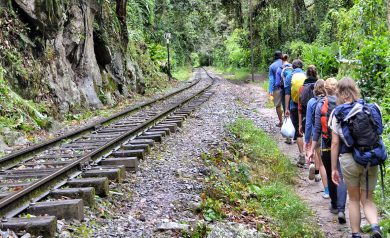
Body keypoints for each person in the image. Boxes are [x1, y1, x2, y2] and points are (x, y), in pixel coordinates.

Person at [330, 77, 383, 238]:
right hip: (370, 157)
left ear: (338, 93)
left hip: (349, 159)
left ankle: (356, 234)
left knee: (353, 200)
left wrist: (333, 169)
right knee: (367, 199)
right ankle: (375, 227)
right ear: (355, 90)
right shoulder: (371, 107)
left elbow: (334, 143)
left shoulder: (337, 113)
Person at [308, 77, 347, 224]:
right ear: (337, 89)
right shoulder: (343, 103)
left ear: (325, 89)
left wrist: (312, 149)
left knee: (332, 173)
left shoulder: (320, 105)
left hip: (326, 144)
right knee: (341, 176)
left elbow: (317, 128)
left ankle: (335, 205)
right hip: (342, 145)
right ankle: (342, 209)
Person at [304, 79, 329, 198]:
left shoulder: (311, 102)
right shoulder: (330, 100)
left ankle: (326, 188)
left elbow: (308, 123)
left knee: (321, 159)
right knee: (332, 162)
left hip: (317, 134)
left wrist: (307, 140)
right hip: (330, 135)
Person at [284, 59, 305, 165]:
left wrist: (286, 108)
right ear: (302, 67)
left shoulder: (289, 77)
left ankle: (302, 156)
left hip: (294, 106)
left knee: (299, 132)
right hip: (306, 107)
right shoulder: (306, 75)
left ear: (293, 67)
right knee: (309, 133)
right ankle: (313, 160)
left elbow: (287, 93)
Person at [268, 51, 284, 127]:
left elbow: (271, 79)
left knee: (278, 105)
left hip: (276, 88)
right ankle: (289, 122)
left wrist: (270, 90)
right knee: (287, 105)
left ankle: (281, 122)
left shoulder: (272, 66)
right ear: (281, 56)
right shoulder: (287, 64)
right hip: (286, 88)